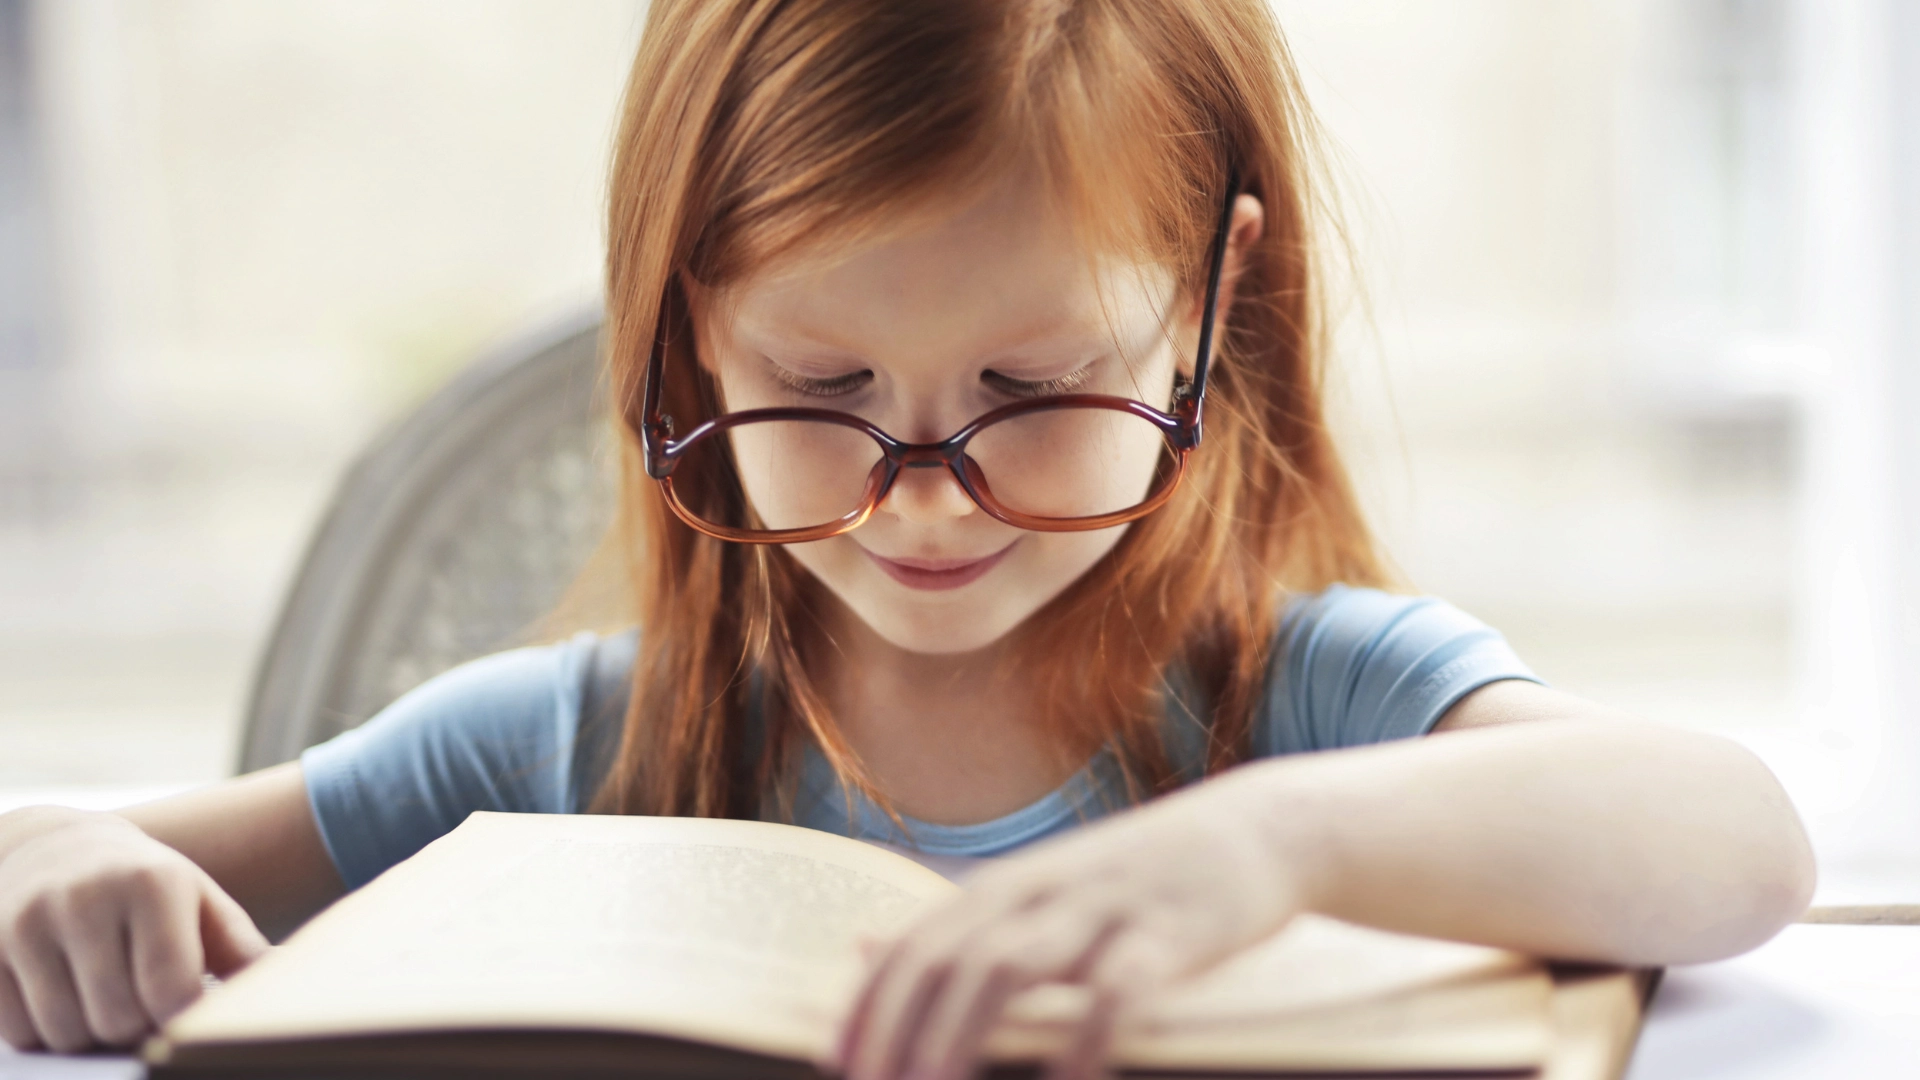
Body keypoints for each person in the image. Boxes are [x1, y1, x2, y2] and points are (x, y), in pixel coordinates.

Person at [0, 1, 1815, 1076]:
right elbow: (56, 856)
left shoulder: (1305, 697)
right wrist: (43, 868)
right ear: (692, 324)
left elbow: (1737, 844)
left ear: (1209, 301)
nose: (928, 493)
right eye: (822, 381)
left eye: (1037, 386)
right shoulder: (567, 753)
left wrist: (1278, 848)